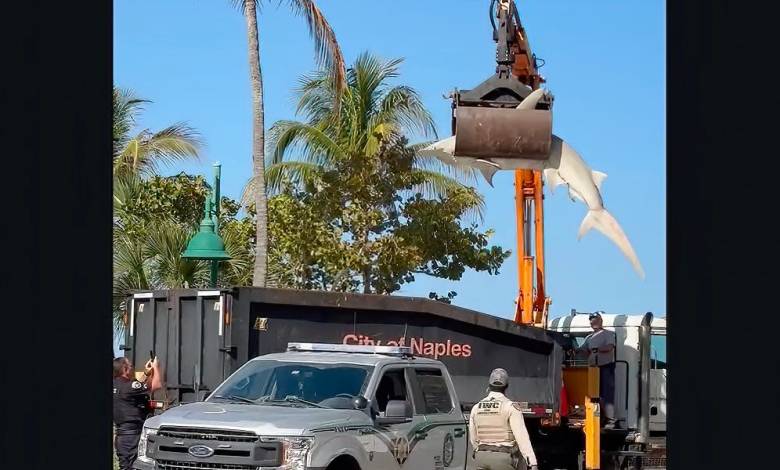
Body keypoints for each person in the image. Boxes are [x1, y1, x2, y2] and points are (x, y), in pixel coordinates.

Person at [469, 368, 538, 470]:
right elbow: (522, 437)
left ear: (489, 385)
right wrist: (532, 462)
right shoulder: (510, 407)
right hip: (503, 458)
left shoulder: (476, 407)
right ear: (506, 386)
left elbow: (473, 438)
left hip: (481, 457)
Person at [113, 356, 162, 470]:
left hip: (123, 436)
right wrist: (156, 367)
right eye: (131, 366)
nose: (133, 368)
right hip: (132, 437)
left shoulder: (116, 385)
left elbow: (136, 387)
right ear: (125, 369)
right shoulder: (128, 387)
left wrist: (146, 373)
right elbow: (157, 385)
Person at [578, 311, 618, 429]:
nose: (593, 322)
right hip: (592, 369)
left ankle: (611, 420)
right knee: (594, 394)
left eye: (595, 320)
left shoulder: (608, 334)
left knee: (607, 395)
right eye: (591, 320)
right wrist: (576, 350)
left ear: (601, 321)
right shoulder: (589, 337)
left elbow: (610, 347)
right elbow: (583, 350)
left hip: (606, 367)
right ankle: (598, 419)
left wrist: (596, 349)